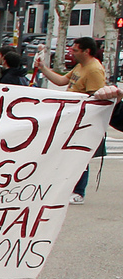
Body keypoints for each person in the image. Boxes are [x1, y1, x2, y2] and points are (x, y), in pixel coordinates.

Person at [35, 36, 107, 204]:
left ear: (86, 51)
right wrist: (43, 68)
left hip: (84, 119)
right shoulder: (80, 66)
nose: (71, 52)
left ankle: (78, 191)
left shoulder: (94, 69)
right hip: (72, 116)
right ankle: (67, 187)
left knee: (80, 155)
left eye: (75, 50)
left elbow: (95, 97)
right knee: (67, 153)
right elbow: (62, 81)